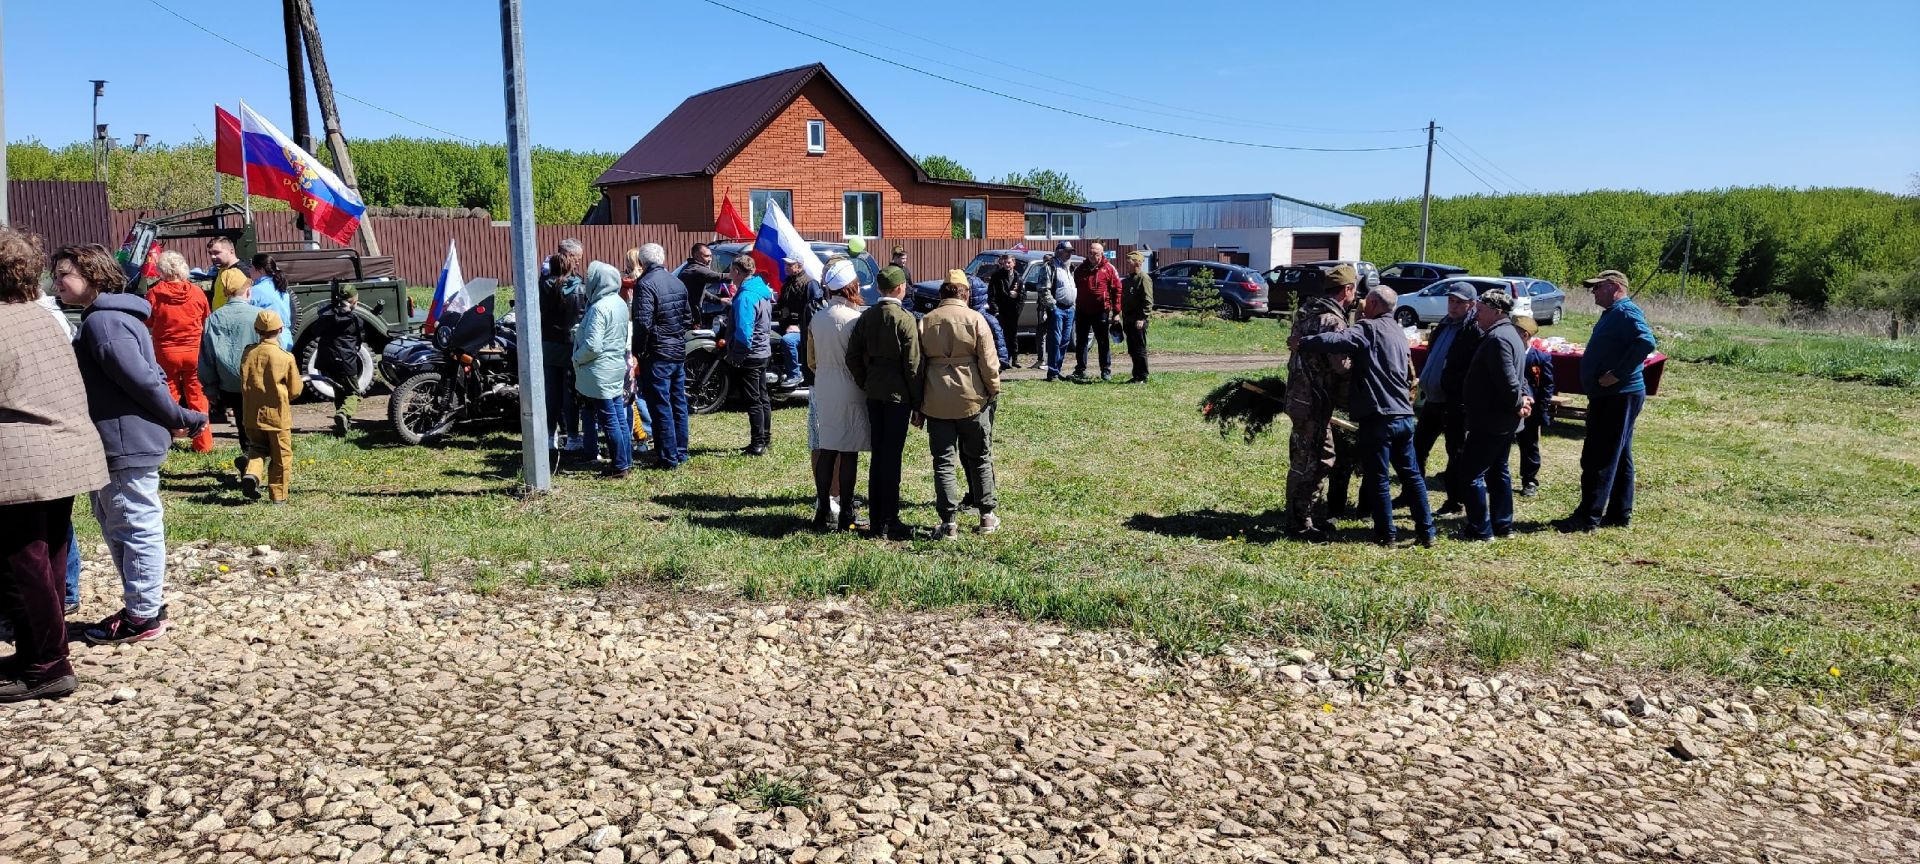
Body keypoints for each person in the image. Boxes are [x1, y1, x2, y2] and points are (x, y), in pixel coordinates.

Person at [56, 244, 206, 645]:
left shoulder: (103, 324)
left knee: (133, 525)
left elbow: (143, 379)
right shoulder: (111, 318)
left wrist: (180, 417)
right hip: (117, 440)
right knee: (120, 523)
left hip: (125, 441)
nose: (57, 283)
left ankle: (143, 616)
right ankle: (143, 605)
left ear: (92, 275)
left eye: (64, 274)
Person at [0, 228, 109, 702]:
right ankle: (40, 652)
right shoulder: (42, 317)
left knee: (22, 565)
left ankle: (47, 664)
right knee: (47, 557)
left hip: (25, 460)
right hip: (63, 452)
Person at [1294, 287, 1435, 547]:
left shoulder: (1369, 328)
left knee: (1378, 477)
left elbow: (1336, 340)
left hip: (1378, 417)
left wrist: (1303, 343)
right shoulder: (1398, 332)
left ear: (1372, 303)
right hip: (1404, 415)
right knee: (1412, 476)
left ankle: (1386, 534)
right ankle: (1427, 532)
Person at [1558, 269, 1657, 532]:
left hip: (1619, 395)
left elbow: (1646, 341)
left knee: (1599, 456)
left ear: (1615, 287)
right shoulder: (1614, 313)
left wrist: (1617, 374)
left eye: (1598, 287)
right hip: (1613, 396)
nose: (1593, 292)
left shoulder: (1625, 312)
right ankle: (1618, 513)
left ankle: (1588, 517)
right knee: (1619, 453)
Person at [917, 270, 1003, 538]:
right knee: (979, 457)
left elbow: (917, 367)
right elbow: (990, 364)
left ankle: (948, 522)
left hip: (936, 400)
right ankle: (987, 516)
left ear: (943, 293)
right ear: (965, 293)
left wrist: (918, 403)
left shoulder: (926, 321)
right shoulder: (976, 319)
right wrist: (993, 390)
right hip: (972, 399)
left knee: (943, 461)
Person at [846, 264, 921, 541]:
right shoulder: (905, 319)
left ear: (879, 288)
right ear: (901, 288)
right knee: (891, 458)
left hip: (874, 392)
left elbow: (852, 356)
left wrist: (865, 381)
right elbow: (912, 364)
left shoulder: (867, 317)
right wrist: (917, 401)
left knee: (878, 455)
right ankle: (889, 519)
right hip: (898, 395)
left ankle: (877, 517)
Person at [1284, 264, 1356, 541]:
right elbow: (1341, 366)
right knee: (1318, 459)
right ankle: (1300, 523)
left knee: (1302, 457)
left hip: (1298, 398)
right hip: (1315, 401)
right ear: (1346, 290)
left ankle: (1304, 516)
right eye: (1353, 291)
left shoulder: (1305, 313)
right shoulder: (1332, 321)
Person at [1457, 290, 1532, 542]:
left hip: (1491, 421)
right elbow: (1518, 378)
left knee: (1469, 474)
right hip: (1502, 421)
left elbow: (1509, 381)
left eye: (1480, 310)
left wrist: (1519, 401)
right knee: (1498, 470)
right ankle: (1503, 525)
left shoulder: (1498, 338)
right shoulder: (1510, 333)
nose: (1475, 314)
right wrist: (1522, 400)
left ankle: (1480, 529)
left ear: (1497, 311)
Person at [806, 258, 871, 532]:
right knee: (849, 453)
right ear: (850, 287)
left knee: (827, 449)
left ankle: (822, 510)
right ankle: (846, 512)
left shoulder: (817, 318)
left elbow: (811, 360)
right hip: (850, 388)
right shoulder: (856, 320)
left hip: (824, 387)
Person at [1410, 284, 1480, 516]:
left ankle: (1455, 502)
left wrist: (1455, 387)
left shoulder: (1474, 329)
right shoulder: (1443, 323)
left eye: (1459, 302)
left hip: (1454, 402)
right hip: (1433, 400)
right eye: (1451, 301)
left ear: (1471, 304)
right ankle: (1411, 494)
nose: (1453, 306)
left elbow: (1472, 368)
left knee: (1455, 452)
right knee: (1417, 447)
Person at [144, 250, 213, 452]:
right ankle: (203, 443)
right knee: (198, 397)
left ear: (161, 270)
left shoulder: (154, 294)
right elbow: (205, 318)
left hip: (166, 353)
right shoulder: (197, 292)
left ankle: (166, 441)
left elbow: (148, 320)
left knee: (169, 397)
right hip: (194, 352)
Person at [633, 243, 693, 470]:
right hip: (677, 349)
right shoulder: (677, 281)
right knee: (678, 402)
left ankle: (668, 457)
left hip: (658, 352)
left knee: (661, 404)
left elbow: (642, 323)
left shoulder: (645, 284)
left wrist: (639, 350)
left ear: (642, 262)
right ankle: (680, 451)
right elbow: (688, 316)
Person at [573, 261, 634, 478]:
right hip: (615, 366)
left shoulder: (599, 308)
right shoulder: (618, 302)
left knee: (610, 420)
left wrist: (577, 358)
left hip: (600, 371)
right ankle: (627, 461)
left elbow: (593, 345)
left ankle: (619, 466)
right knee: (618, 417)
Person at [238, 310, 302, 504]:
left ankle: (252, 474)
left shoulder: (248, 353)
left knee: (257, 448)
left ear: (257, 330)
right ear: (280, 329)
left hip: (251, 415)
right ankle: (278, 495)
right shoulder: (285, 357)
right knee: (281, 456)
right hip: (277, 416)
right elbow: (295, 389)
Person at [197, 276, 260, 448]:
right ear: (248, 291)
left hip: (229, 386)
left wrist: (210, 389)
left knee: (241, 421)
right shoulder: (260, 316)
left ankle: (248, 455)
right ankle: (260, 459)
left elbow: (206, 357)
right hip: (258, 384)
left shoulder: (213, 319)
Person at [725, 257, 775, 456]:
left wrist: (737, 355)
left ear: (737, 271)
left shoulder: (746, 296)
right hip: (763, 351)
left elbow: (745, 332)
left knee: (754, 400)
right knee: (762, 397)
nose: (729, 275)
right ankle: (765, 437)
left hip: (751, 354)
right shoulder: (761, 290)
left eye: (730, 270)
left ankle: (757, 444)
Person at [540, 253, 587, 457]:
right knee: (570, 392)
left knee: (551, 392)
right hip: (571, 344)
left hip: (549, 343)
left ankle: (550, 436)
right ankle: (573, 436)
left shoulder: (544, 286)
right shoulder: (580, 287)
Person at [308, 285, 367, 437]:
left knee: (338, 390)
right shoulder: (355, 319)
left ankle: (342, 425)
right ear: (354, 301)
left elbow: (314, 330)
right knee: (353, 393)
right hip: (346, 361)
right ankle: (344, 413)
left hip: (326, 360)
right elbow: (361, 338)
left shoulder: (326, 316)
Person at [1514, 316, 1555, 497]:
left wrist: (1542, 407)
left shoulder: (1540, 357)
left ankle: (1529, 479)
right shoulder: (1505, 353)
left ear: (1524, 335)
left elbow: (1547, 385)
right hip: (1508, 405)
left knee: (1529, 444)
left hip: (1530, 409)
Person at [1072, 242, 1122, 381]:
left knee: (1103, 341)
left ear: (1101, 254)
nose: (1092, 255)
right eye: (1090, 252)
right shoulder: (1080, 269)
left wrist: (1116, 312)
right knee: (1081, 341)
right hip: (1082, 311)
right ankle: (1080, 369)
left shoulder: (1109, 269)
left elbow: (1117, 290)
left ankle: (1105, 370)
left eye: (1095, 253)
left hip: (1101, 311)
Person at [775, 257, 821, 389]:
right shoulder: (788, 283)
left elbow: (816, 311)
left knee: (788, 341)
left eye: (790, 264)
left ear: (799, 266)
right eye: (785, 264)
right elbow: (780, 306)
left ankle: (794, 375)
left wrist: (800, 327)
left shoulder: (810, 284)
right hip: (785, 326)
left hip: (805, 331)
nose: (786, 267)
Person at [1038, 242, 1077, 381]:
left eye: (1071, 251)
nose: (1069, 254)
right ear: (1059, 251)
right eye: (1067, 251)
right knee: (1055, 340)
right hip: (1057, 308)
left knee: (1065, 341)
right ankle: (1052, 372)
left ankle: (1057, 369)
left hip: (1070, 308)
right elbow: (1043, 289)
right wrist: (1053, 306)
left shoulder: (1070, 267)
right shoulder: (1050, 266)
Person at [247, 254, 293, 350]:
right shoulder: (280, 285)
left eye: (251, 267)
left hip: (269, 339)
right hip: (286, 337)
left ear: (261, 270)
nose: (249, 270)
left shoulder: (256, 290)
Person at [679, 243, 730, 329]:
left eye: (711, 256)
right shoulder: (696, 270)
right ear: (697, 256)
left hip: (689, 315)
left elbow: (701, 292)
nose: (710, 259)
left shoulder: (690, 267)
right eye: (706, 256)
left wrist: (719, 300)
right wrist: (740, 274)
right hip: (689, 317)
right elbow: (718, 277)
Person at [986, 254, 1024, 368]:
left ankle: (1015, 359)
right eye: (1004, 263)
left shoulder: (1018, 277)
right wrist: (996, 310)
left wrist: (1017, 301)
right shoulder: (997, 277)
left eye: (1009, 263)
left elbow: (1022, 296)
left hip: (1013, 311)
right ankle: (1003, 360)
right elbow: (991, 295)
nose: (1006, 265)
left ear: (1013, 263)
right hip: (1000, 311)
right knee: (1000, 335)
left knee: (1013, 335)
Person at [1121, 250, 1153, 383]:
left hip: (1138, 320)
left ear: (1137, 263)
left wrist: (1142, 318)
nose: (1127, 264)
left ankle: (1143, 376)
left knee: (1140, 349)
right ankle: (1136, 375)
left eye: (1129, 262)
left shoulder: (1143, 278)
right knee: (1132, 349)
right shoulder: (1128, 280)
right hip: (1128, 319)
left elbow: (1148, 301)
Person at [206, 236, 251, 310]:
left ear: (231, 251)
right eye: (210, 253)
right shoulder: (221, 271)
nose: (212, 257)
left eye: (217, 252)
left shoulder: (243, 272)